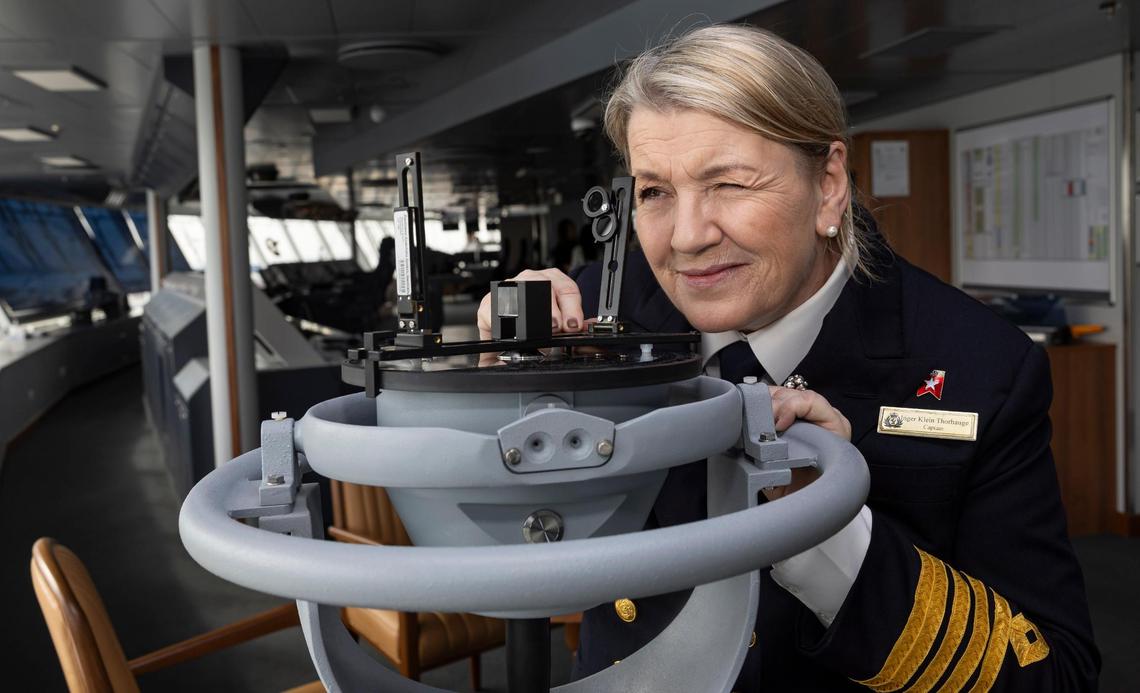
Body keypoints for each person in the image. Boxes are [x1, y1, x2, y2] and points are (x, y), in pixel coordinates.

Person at [477, 24, 1098, 691]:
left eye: (729, 184)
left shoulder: (978, 364)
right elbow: (510, 547)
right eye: (655, 192)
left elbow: (1056, 674)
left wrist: (828, 533)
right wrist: (496, 403)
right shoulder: (596, 315)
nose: (686, 237)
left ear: (828, 185)